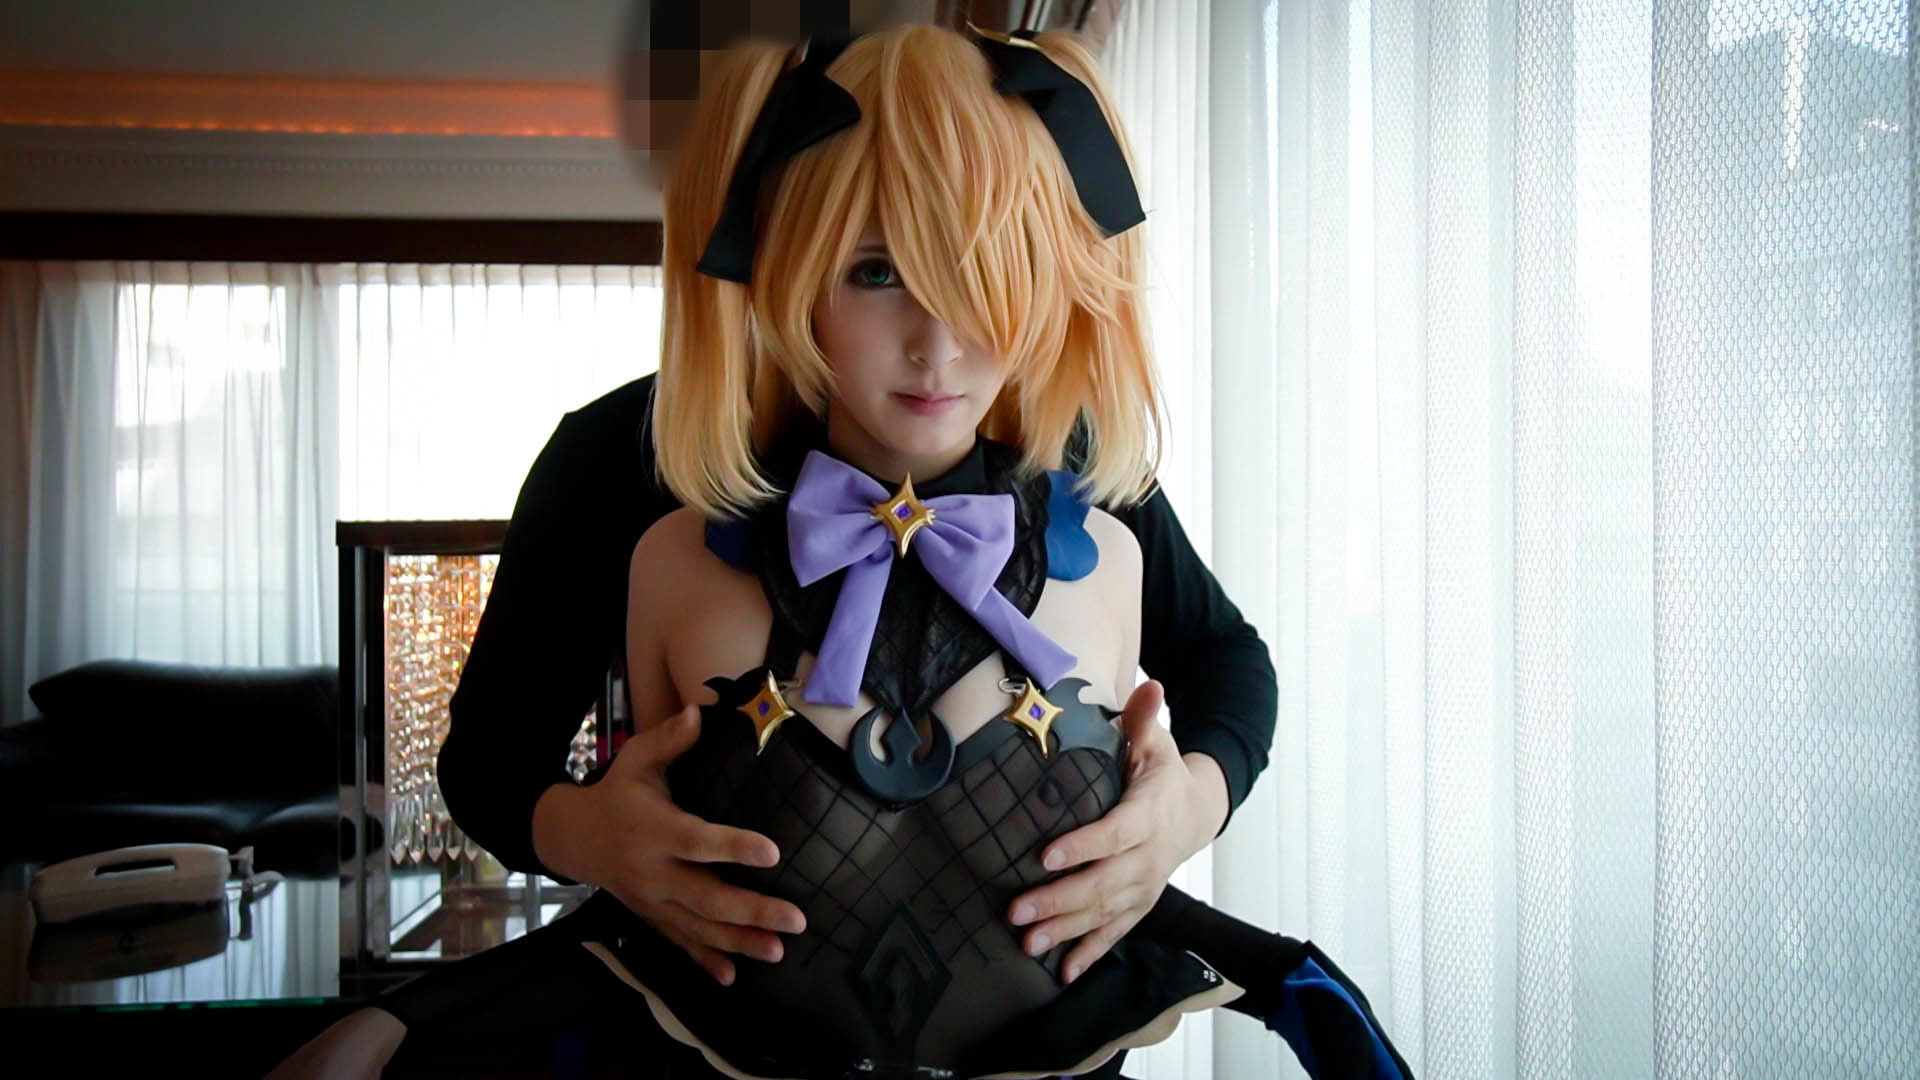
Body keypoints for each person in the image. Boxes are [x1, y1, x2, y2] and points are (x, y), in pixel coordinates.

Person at [269, 22, 1408, 1080]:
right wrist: (592, 834)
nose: (939, 345)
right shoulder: (619, 460)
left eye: (986, 273)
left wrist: (1186, 808)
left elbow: (1225, 661)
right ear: (786, 258)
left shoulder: (1058, 447)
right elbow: (487, 764)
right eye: (877, 270)